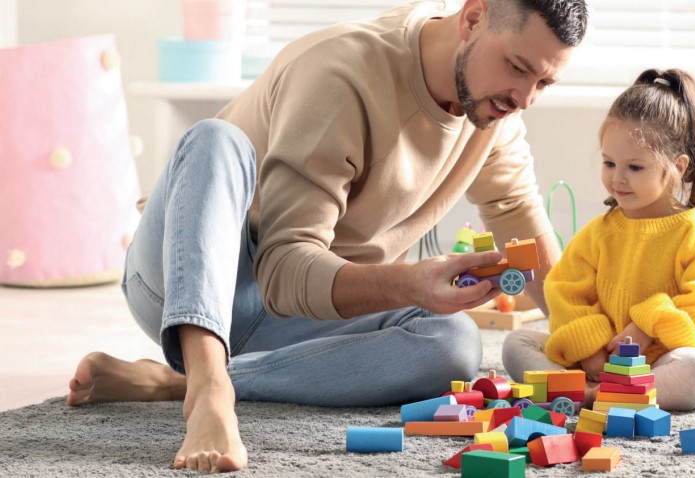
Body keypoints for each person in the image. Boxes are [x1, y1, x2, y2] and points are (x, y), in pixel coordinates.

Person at [66, 0, 588, 472]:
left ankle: (173, 382)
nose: (524, 98)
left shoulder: (495, 111)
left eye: (544, 84)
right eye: (518, 68)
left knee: (453, 342)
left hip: (305, 311)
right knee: (214, 140)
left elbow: (520, 217)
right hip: (190, 276)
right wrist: (409, 282)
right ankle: (205, 386)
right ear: (474, 17)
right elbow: (283, 270)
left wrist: (583, 341)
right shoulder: (340, 72)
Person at [502, 68, 695, 412]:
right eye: (609, 163)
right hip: (599, 362)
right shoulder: (599, 232)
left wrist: (647, 326)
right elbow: (565, 292)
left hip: (663, 361)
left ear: (677, 167)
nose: (617, 179)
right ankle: (599, 392)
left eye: (635, 168)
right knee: (517, 342)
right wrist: (589, 346)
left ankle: (589, 397)